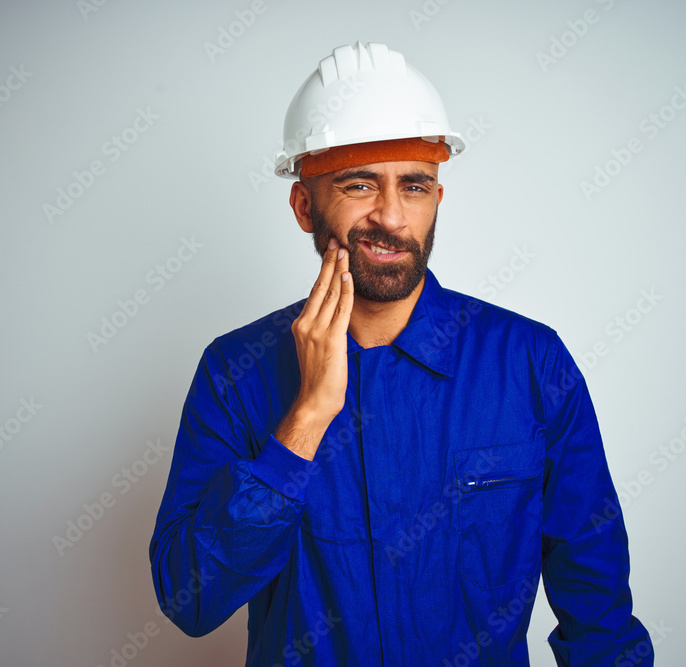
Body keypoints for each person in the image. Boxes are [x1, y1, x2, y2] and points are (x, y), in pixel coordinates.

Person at [149, 41, 654, 666]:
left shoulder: (530, 364)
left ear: (437, 198)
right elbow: (189, 598)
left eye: (414, 185)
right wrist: (302, 424)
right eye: (359, 184)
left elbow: (599, 615)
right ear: (305, 205)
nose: (391, 215)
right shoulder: (235, 374)